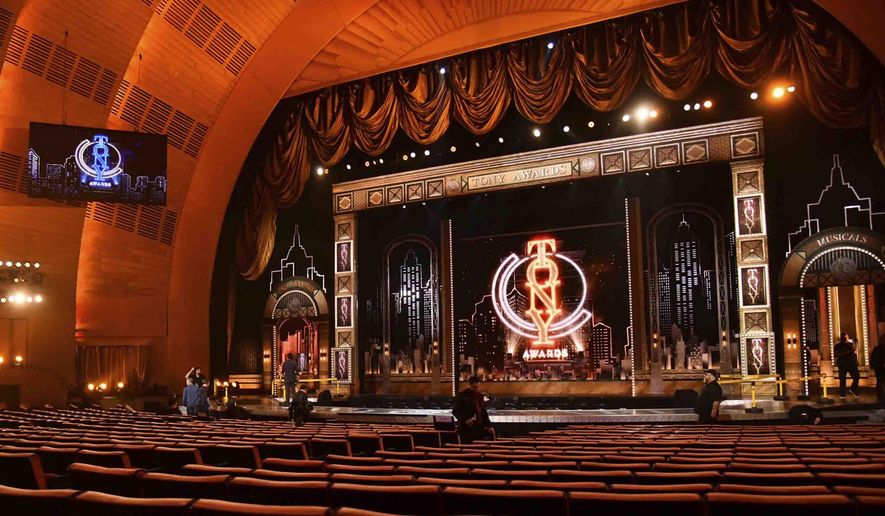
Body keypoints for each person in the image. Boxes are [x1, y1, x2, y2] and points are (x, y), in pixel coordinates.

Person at [452, 376, 492, 444]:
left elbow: (483, 411)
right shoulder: (461, 396)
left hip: (479, 427)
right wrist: (465, 420)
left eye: (478, 387)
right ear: (469, 385)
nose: (476, 389)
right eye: (474, 387)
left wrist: (489, 425)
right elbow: (455, 411)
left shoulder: (479, 396)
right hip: (466, 428)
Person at [834, 332, 860, 398]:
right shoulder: (837, 346)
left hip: (850, 362)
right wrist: (846, 353)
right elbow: (836, 355)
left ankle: (853, 389)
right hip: (842, 363)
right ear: (841, 338)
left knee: (856, 376)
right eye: (843, 337)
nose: (845, 338)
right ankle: (842, 394)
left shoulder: (849, 345)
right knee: (842, 379)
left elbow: (853, 353)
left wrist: (855, 360)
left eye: (845, 337)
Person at [870, 337, 885, 404]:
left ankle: (880, 395)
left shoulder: (877, 348)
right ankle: (880, 395)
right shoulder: (877, 348)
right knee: (880, 381)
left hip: (879, 367)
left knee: (880, 381)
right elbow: (874, 357)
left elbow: (873, 357)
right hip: (879, 367)